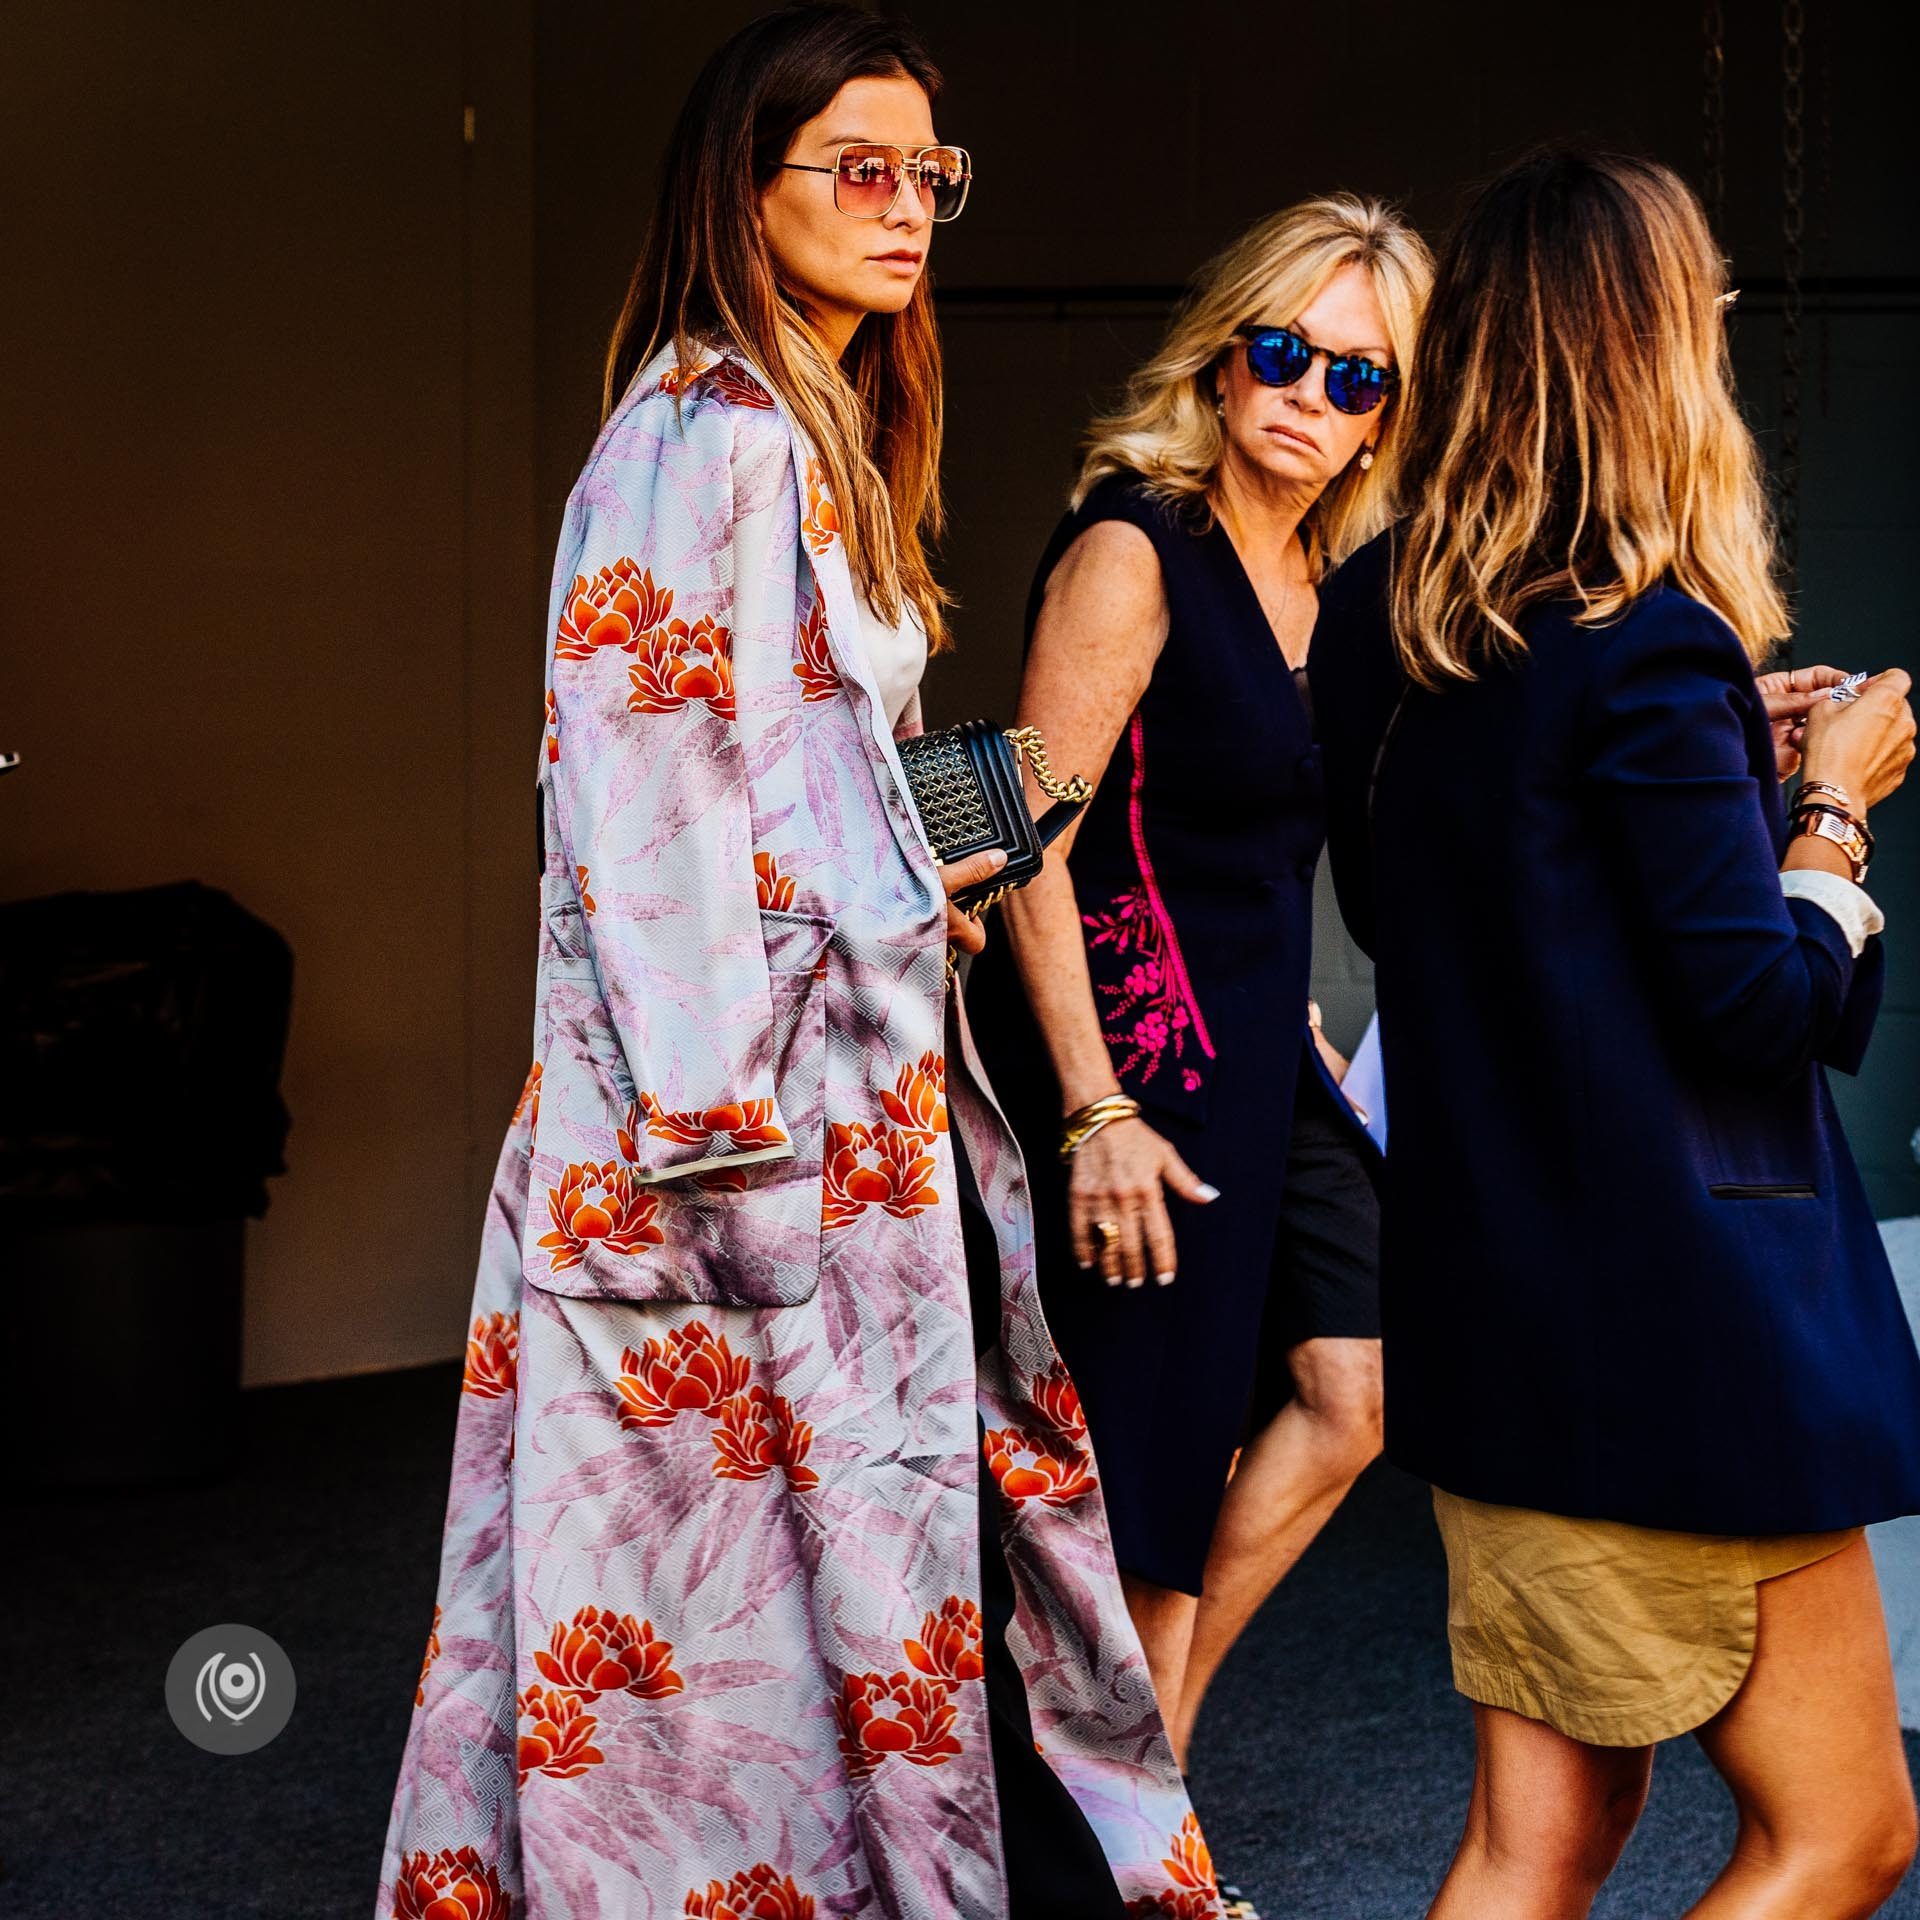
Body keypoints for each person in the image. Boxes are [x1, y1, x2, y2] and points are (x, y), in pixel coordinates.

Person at [375, 10, 1217, 1916]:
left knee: (787, 1640)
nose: (908, 207)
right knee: (683, 1670)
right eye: (860, 168)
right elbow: (649, 827)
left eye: (933, 173)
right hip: (735, 1174)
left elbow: (785, 795)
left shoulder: (801, 432)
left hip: (822, 1140)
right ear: (740, 196)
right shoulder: (709, 431)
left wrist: (950, 809)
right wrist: (739, 1196)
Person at [1308, 147, 1920, 1920]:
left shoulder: (1382, 614)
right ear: (1643, 345)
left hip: (1498, 1317)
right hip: (1689, 1349)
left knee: (1541, 1844)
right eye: (1704, 302)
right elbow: (1758, 1006)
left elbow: (1477, 885)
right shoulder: (1648, 641)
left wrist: (1732, 751)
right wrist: (1831, 807)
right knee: (1846, 1838)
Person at [965, 197, 1431, 1805]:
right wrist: (1091, 1107)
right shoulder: (1131, 545)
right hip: (1132, 1072)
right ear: (1226, 358)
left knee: (1351, 1392)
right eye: (1286, 353)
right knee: (1154, 1474)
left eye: (1358, 378)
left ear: (1388, 417)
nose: (1312, 395)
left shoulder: (1332, 589)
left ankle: (1143, 1767)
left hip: (1263, 1062)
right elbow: (1024, 843)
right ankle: (1121, 1828)